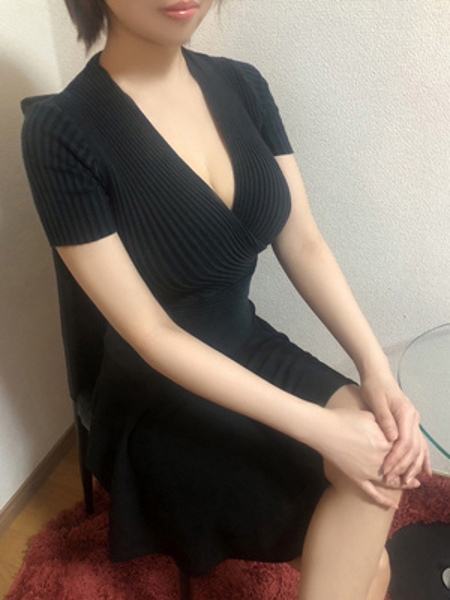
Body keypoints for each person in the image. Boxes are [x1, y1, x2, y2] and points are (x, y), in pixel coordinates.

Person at [22, 1, 431, 598]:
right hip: (158, 393)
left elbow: (304, 241)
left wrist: (375, 370)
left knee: (384, 461)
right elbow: (153, 334)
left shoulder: (244, 86)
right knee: (371, 563)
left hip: (251, 345)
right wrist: (320, 428)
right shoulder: (60, 132)